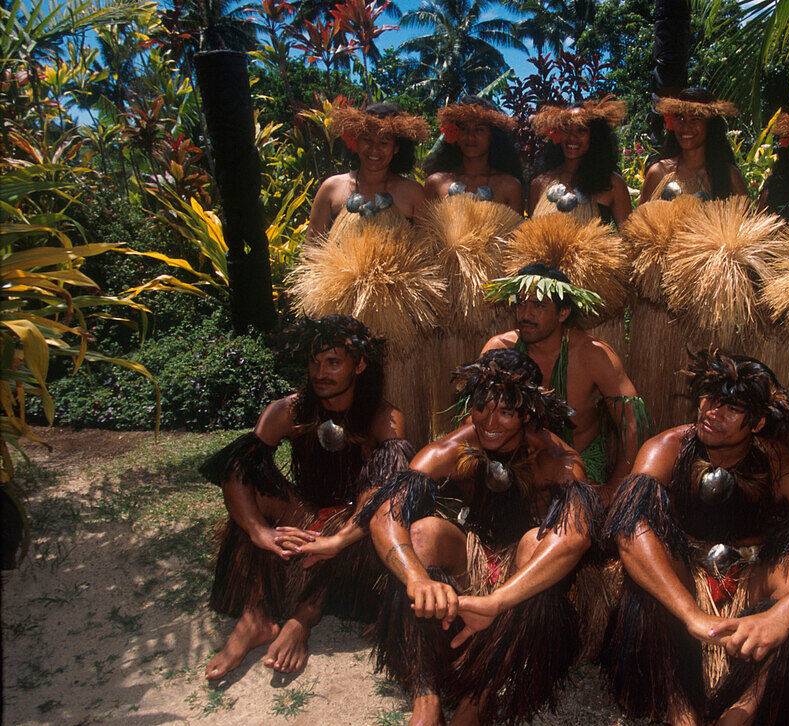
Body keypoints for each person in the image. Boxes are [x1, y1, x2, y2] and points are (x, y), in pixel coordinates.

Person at [601, 351, 789, 725]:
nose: (712, 411)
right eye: (708, 399)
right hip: (685, 574)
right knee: (645, 570)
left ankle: (744, 708)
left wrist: (780, 617)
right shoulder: (667, 449)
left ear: (757, 422)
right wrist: (690, 614)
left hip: (753, 575)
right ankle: (680, 709)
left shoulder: (783, 465)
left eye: (731, 408)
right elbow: (629, 531)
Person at [363, 349, 601, 725]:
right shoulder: (455, 447)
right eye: (481, 407)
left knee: (535, 542)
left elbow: (575, 538)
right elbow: (384, 514)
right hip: (473, 553)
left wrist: (498, 601)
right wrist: (416, 578)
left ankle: (479, 699)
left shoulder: (557, 460)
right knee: (423, 534)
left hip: (525, 576)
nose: (489, 423)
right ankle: (426, 698)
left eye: (505, 411)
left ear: (529, 412)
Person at [199, 315, 413, 681]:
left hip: (354, 528)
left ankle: (302, 619)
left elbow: (387, 494)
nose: (320, 372)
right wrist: (257, 531)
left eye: (333, 362)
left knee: (371, 519)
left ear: (359, 365)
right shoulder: (288, 411)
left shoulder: (384, 418)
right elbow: (235, 471)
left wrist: (338, 539)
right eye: (314, 362)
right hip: (306, 511)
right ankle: (255, 618)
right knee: (249, 499)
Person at [481, 262, 646, 489]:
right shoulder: (499, 350)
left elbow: (631, 423)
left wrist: (616, 486)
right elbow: (474, 417)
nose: (526, 314)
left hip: (582, 462)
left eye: (538, 305)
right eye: (521, 303)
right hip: (514, 461)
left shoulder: (594, 355)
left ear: (563, 313)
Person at [306, 102, 430, 243]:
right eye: (367, 140)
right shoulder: (331, 188)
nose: (374, 149)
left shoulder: (413, 193)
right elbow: (312, 248)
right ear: (356, 141)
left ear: (396, 148)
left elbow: (427, 250)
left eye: (383, 143)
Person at [527, 96, 632, 227]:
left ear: (594, 136)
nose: (572, 137)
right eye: (566, 128)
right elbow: (530, 238)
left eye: (581, 130)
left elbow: (628, 240)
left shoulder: (613, 184)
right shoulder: (539, 184)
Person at [639, 88, 750, 204]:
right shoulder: (658, 173)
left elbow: (748, 221)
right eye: (680, 118)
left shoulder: (728, 175)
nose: (686, 127)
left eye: (695, 119)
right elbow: (638, 220)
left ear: (710, 125)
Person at [422, 97, 525, 214]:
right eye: (464, 129)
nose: (470, 136)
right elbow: (425, 231)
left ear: (493, 136)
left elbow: (518, 232)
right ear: (455, 133)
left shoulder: (509, 186)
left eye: (479, 130)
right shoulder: (436, 183)